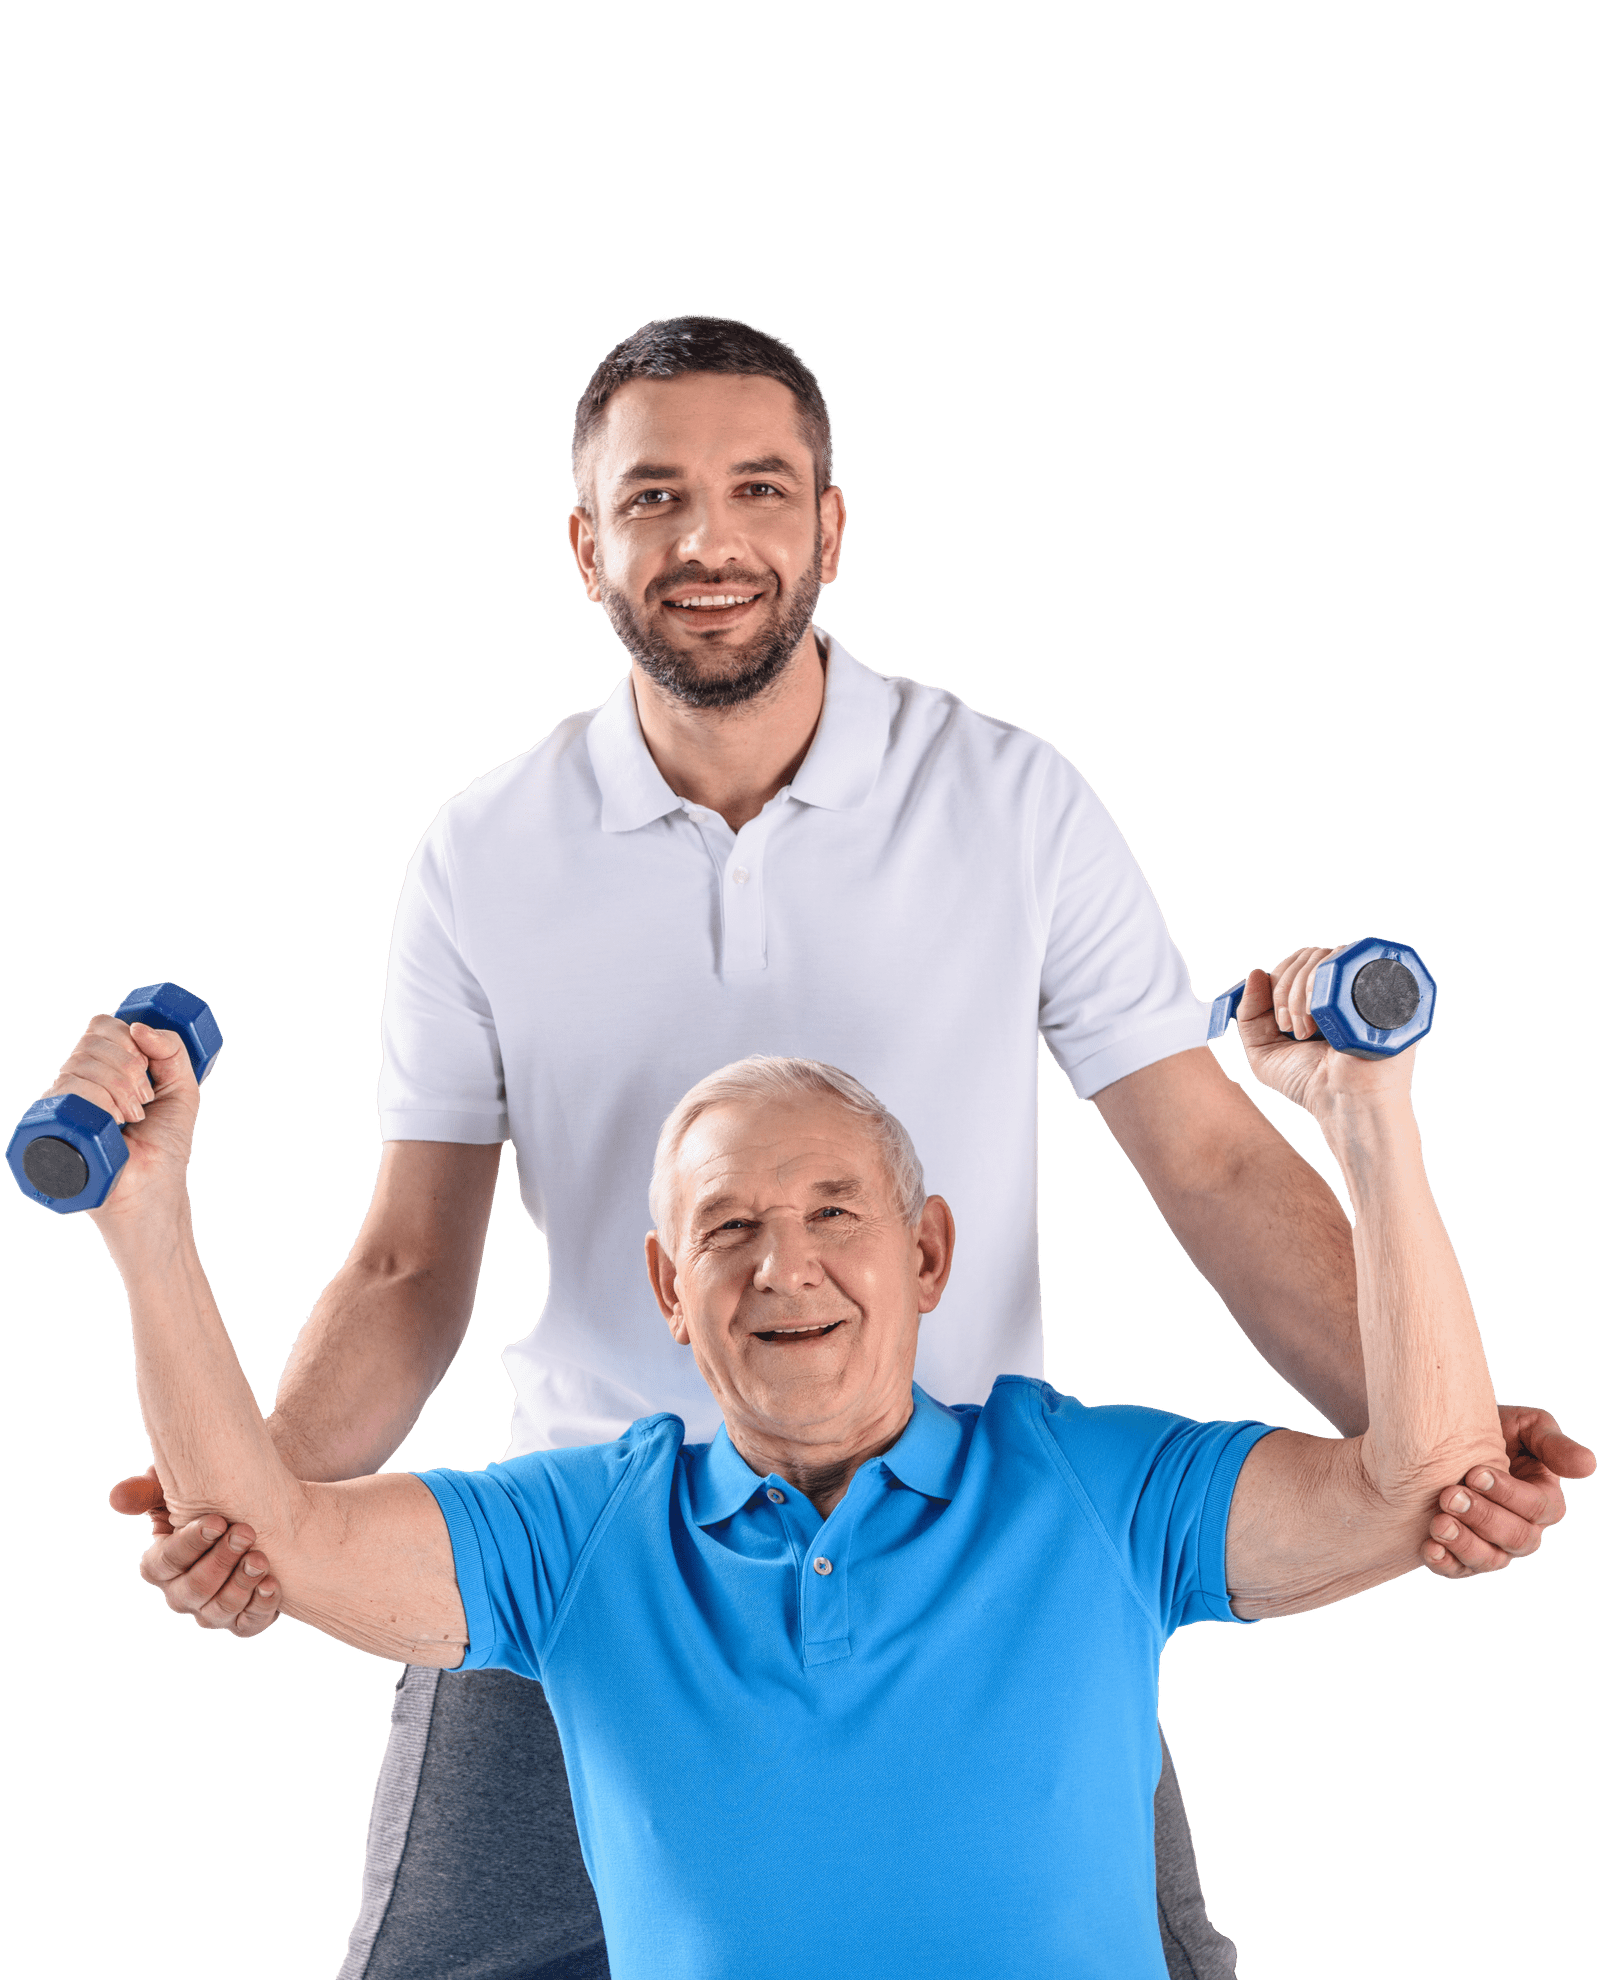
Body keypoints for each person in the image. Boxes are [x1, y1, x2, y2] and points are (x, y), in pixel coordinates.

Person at [104, 317, 1590, 1980]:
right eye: (654, 497)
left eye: (759, 488)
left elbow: (1216, 1164)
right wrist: (266, 1502)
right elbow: (406, 1265)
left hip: (969, 1542)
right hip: (590, 1553)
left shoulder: (1011, 801)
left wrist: (1429, 1432)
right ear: (588, 543)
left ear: (828, 525)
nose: (709, 539)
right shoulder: (483, 851)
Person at [64, 992, 1586, 1976]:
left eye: (834, 1214)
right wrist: (146, 1219)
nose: (783, 1267)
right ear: (670, 1292)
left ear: (928, 1254)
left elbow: (1420, 1481)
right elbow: (267, 1531)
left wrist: (1370, 1118)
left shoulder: (1089, 1485)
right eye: (727, 1231)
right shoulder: (578, 1533)